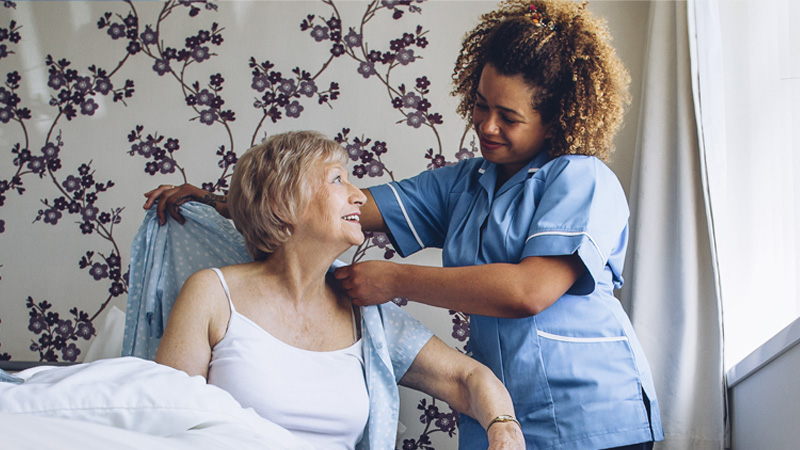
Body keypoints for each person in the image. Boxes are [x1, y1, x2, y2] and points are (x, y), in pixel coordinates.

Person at [145, 1, 663, 449]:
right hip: (506, 414)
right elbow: (319, 207)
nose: (486, 125)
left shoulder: (581, 179)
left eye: (508, 116)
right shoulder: (464, 185)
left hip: (592, 415)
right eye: (481, 106)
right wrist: (220, 200)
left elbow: (528, 290)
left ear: (555, 117)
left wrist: (393, 280)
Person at [152, 130, 525, 450]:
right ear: (284, 201)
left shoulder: (365, 312)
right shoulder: (212, 293)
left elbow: (468, 377)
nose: (359, 196)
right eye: (337, 179)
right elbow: (163, 423)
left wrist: (503, 426)